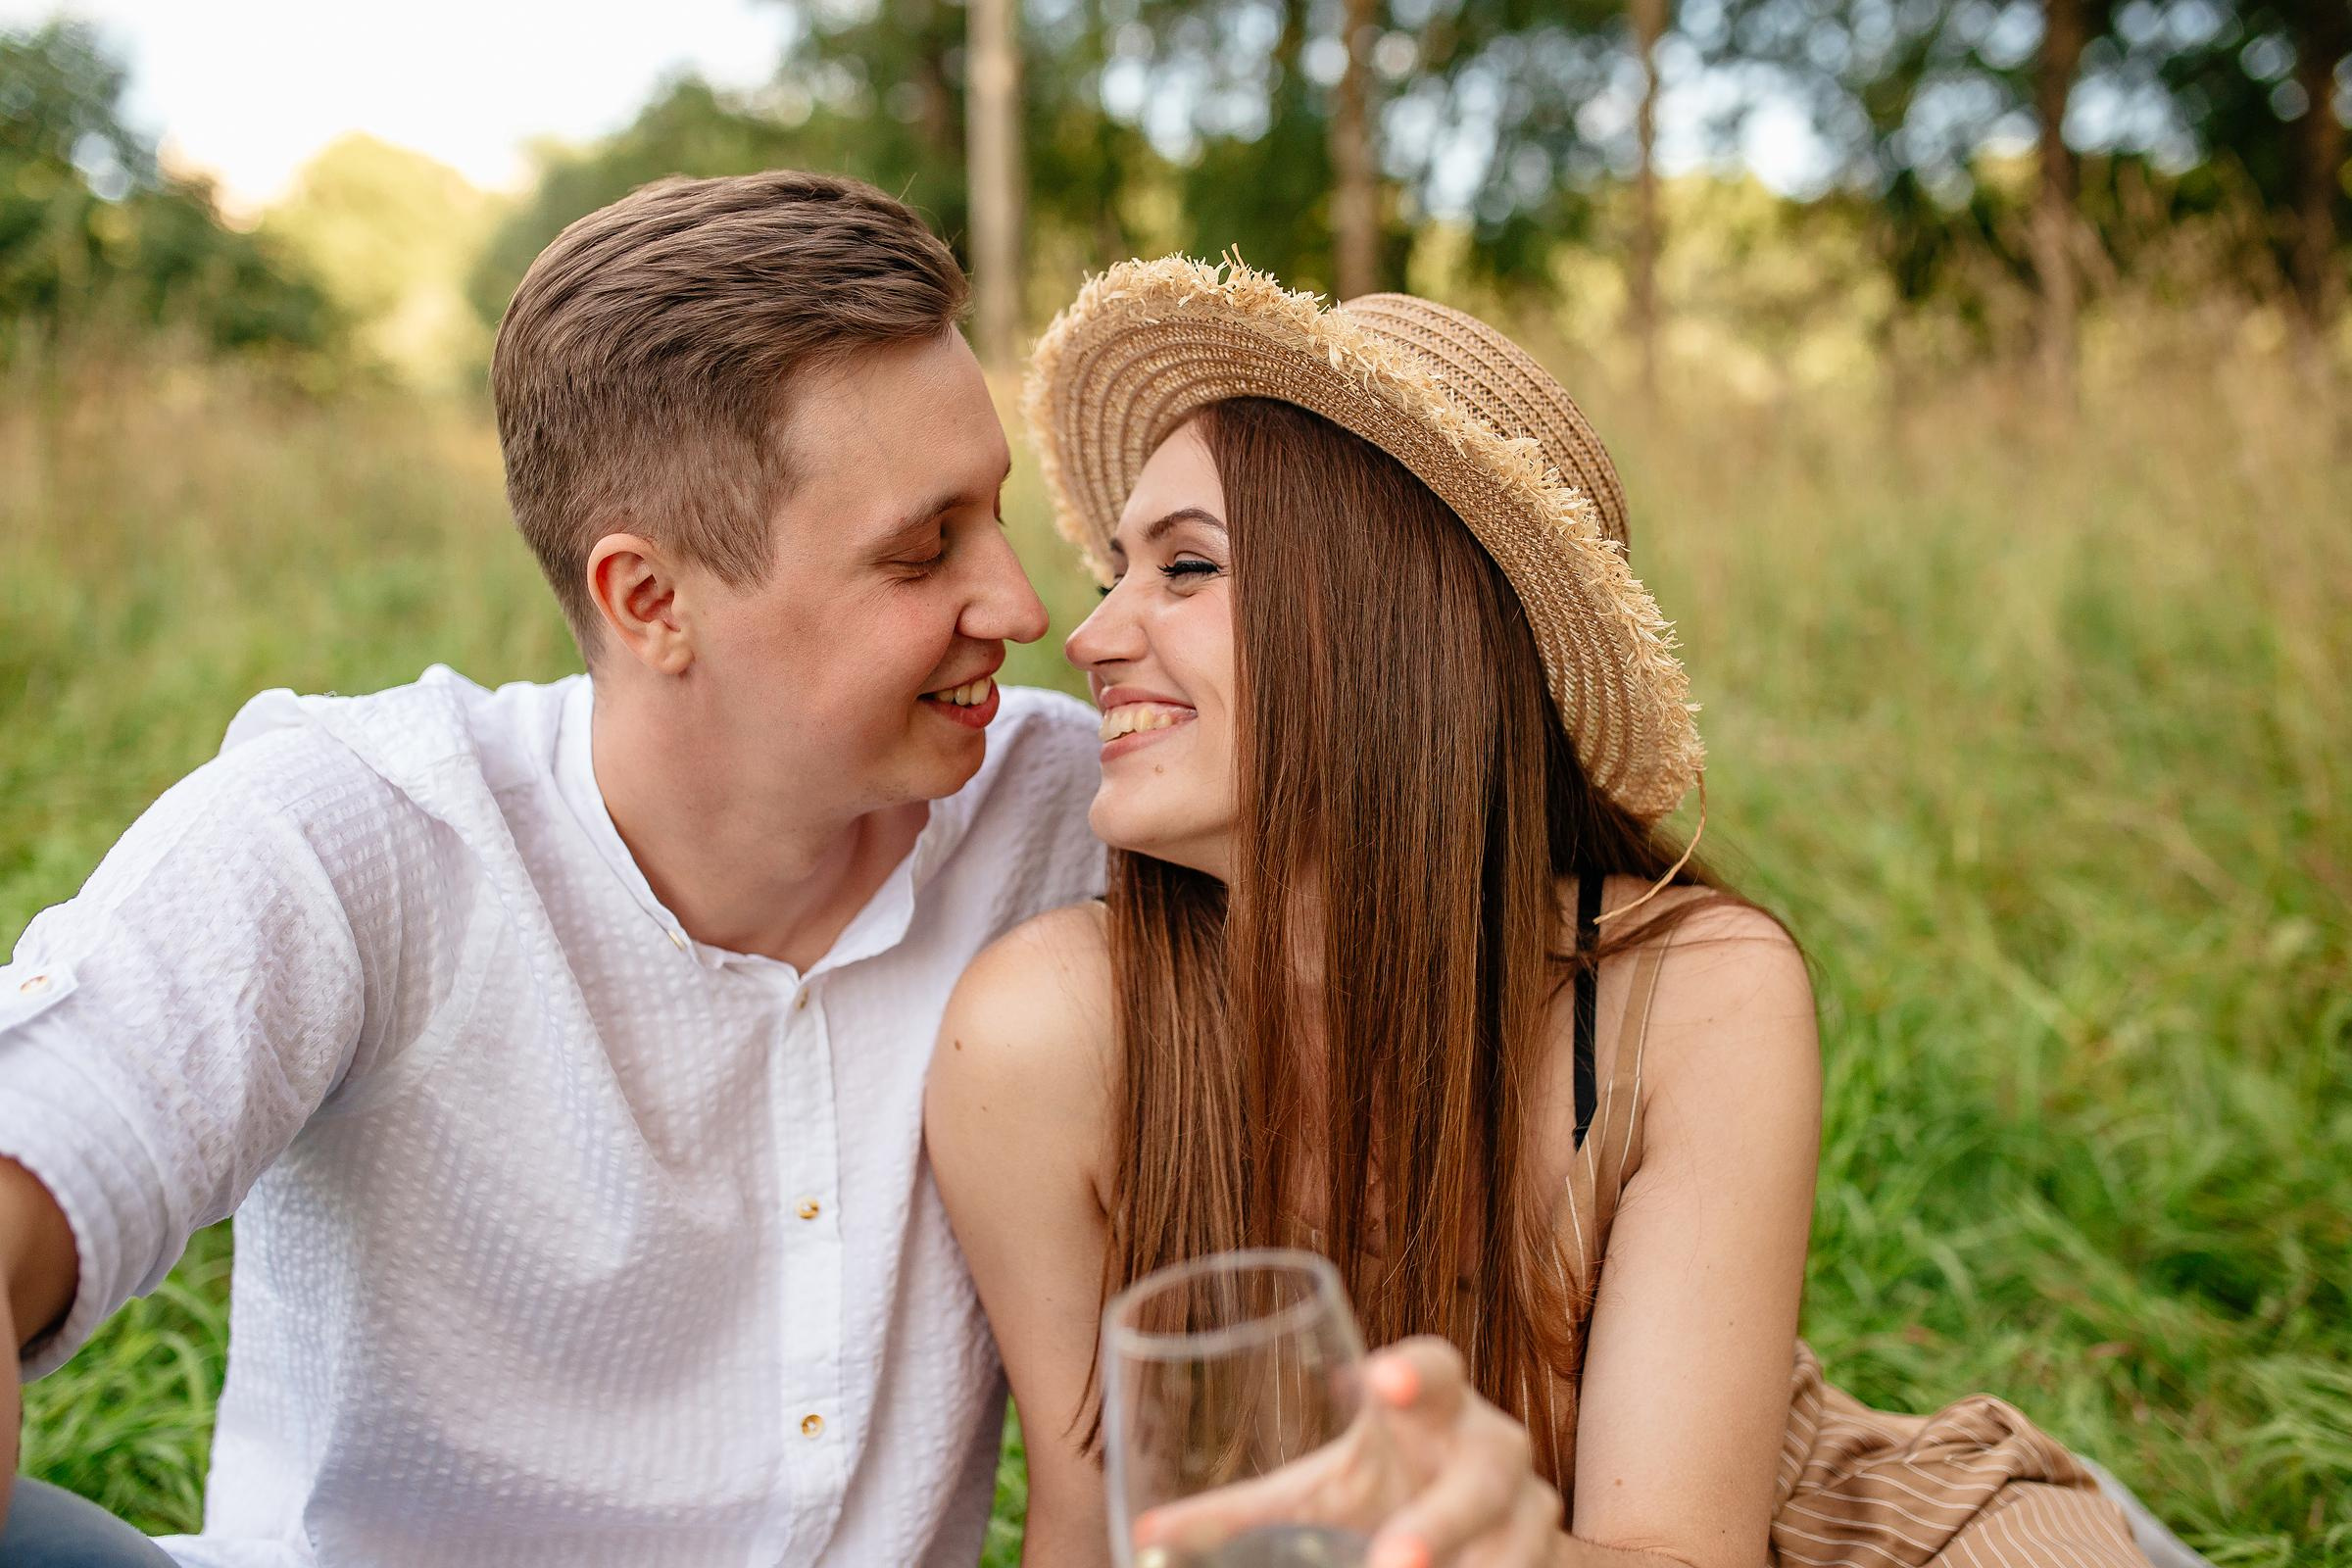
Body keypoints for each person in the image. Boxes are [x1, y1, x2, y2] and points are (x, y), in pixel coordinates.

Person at [927, 257, 2206, 1568]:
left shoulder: (1692, 992)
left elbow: (1680, 1548)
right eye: (1114, 576)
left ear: (1392, 623)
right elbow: (1092, 1530)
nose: (1090, 638)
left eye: (1187, 567)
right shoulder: (1044, 1037)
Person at [0, 171, 1113, 1567]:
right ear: (650, 602)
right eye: (921, 551)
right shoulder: (362, 835)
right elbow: (55, 1122)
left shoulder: (1070, 813)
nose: (1020, 605)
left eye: (995, 513)